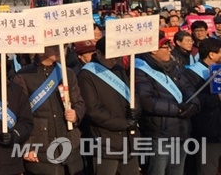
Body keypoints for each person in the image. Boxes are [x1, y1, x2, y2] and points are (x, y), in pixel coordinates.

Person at [13, 45, 86, 175]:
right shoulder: (23, 76)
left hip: (69, 141)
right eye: (53, 47)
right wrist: (26, 145)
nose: (59, 50)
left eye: (60, 46)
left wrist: (76, 114)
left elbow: (79, 103)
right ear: (41, 50)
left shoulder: (66, 73)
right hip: (41, 145)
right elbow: (19, 115)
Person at [135, 36, 200, 175]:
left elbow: (188, 88)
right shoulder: (140, 69)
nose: (170, 51)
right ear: (153, 50)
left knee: (177, 171)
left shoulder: (174, 67)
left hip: (181, 131)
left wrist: (193, 105)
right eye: (166, 47)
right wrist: (178, 109)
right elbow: (147, 101)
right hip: (159, 134)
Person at [77, 37, 140, 175]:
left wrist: (136, 110)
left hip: (129, 140)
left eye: (116, 56)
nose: (114, 60)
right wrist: (123, 123)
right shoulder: (87, 74)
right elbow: (93, 110)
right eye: (110, 56)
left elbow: (132, 94)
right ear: (98, 53)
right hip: (106, 141)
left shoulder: (119, 68)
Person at [180, 38, 221, 175]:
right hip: (207, 133)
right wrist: (216, 97)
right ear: (212, 54)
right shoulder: (190, 74)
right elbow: (193, 100)